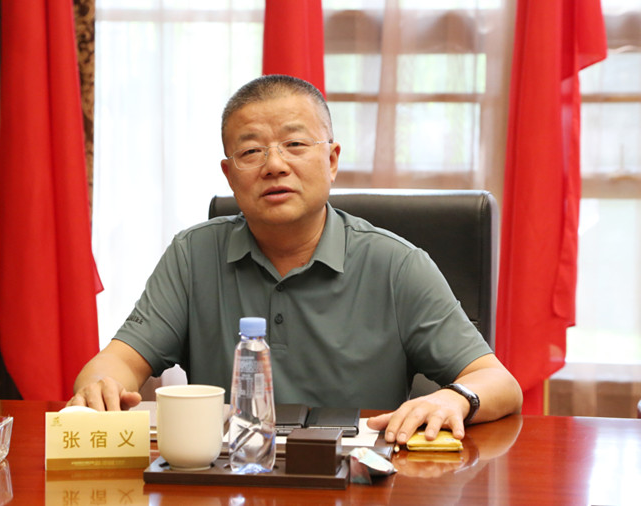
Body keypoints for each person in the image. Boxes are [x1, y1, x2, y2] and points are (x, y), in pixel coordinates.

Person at [70, 74, 522, 445]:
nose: (274, 165)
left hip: (357, 484)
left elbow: (498, 382)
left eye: (295, 144)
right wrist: (100, 386)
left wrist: (453, 398)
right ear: (230, 175)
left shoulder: (397, 265)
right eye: (251, 151)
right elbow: (117, 362)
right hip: (235, 478)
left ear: (332, 160)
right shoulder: (192, 256)